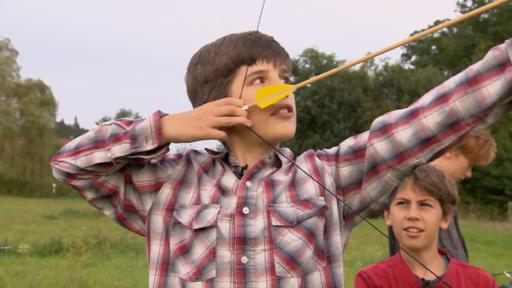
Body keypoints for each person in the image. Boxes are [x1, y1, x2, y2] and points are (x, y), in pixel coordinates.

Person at [51, 31, 512, 287]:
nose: (285, 88)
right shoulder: (169, 184)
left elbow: (433, 118)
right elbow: (71, 163)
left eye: (288, 77)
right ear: (215, 102)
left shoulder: (328, 176)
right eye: (260, 79)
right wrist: (170, 127)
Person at [355, 164, 498, 287]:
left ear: (445, 218)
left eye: (424, 205)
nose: (412, 215)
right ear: (388, 216)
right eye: (402, 203)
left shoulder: (480, 282)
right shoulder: (371, 280)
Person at [387, 130, 497, 262]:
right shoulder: (416, 190)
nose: (469, 174)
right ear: (450, 150)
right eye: (469, 164)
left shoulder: (442, 191)